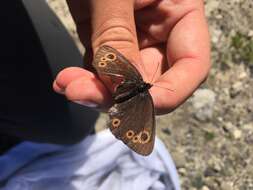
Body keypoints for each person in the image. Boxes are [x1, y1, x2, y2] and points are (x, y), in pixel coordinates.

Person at [0, 0, 210, 189]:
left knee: (76, 122)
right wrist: (115, 32)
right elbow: (113, 38)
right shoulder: (142, 90)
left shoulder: (140, 87)